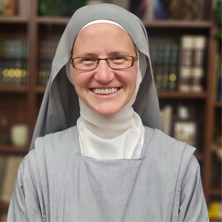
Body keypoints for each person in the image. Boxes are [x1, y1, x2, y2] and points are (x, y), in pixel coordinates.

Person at [7, 3, 209, 222]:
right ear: (69, 71)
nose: (103, 75)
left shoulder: (180, 168)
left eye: (118, 58)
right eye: (87, 60)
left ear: (140, 68)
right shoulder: (39, 167)